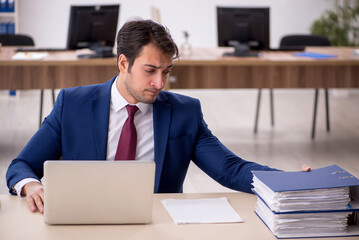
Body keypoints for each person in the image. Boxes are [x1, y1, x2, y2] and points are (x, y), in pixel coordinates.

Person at [6, 19, 310, 214]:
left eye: (166, 72)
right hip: (86, 220)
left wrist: (291, 182)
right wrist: (31, 186)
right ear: (123, 63)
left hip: (157, 222)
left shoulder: (184, 112)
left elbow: (230, 169)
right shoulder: (72, 104)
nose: (159, 83)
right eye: (150, 71)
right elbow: (21, 165)